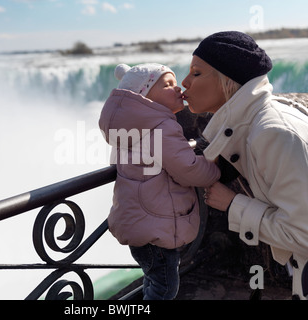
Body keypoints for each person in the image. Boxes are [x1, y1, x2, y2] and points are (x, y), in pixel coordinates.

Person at [182, 31, 308, 300]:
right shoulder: (264, 117)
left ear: (228, 80)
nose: (184, 82)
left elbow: (303, 234)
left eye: (196, 73)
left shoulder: (271, 133)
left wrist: (233, 205)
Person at [99, 63, 220, 300]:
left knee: (153, 282)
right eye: (168, 85)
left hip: (140, 223)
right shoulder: (160, 128)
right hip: (157, 227)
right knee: (164, 289)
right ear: (145, 97)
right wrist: (214, 169)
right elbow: (188, 169)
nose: (177, 89)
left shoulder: (131, 127)